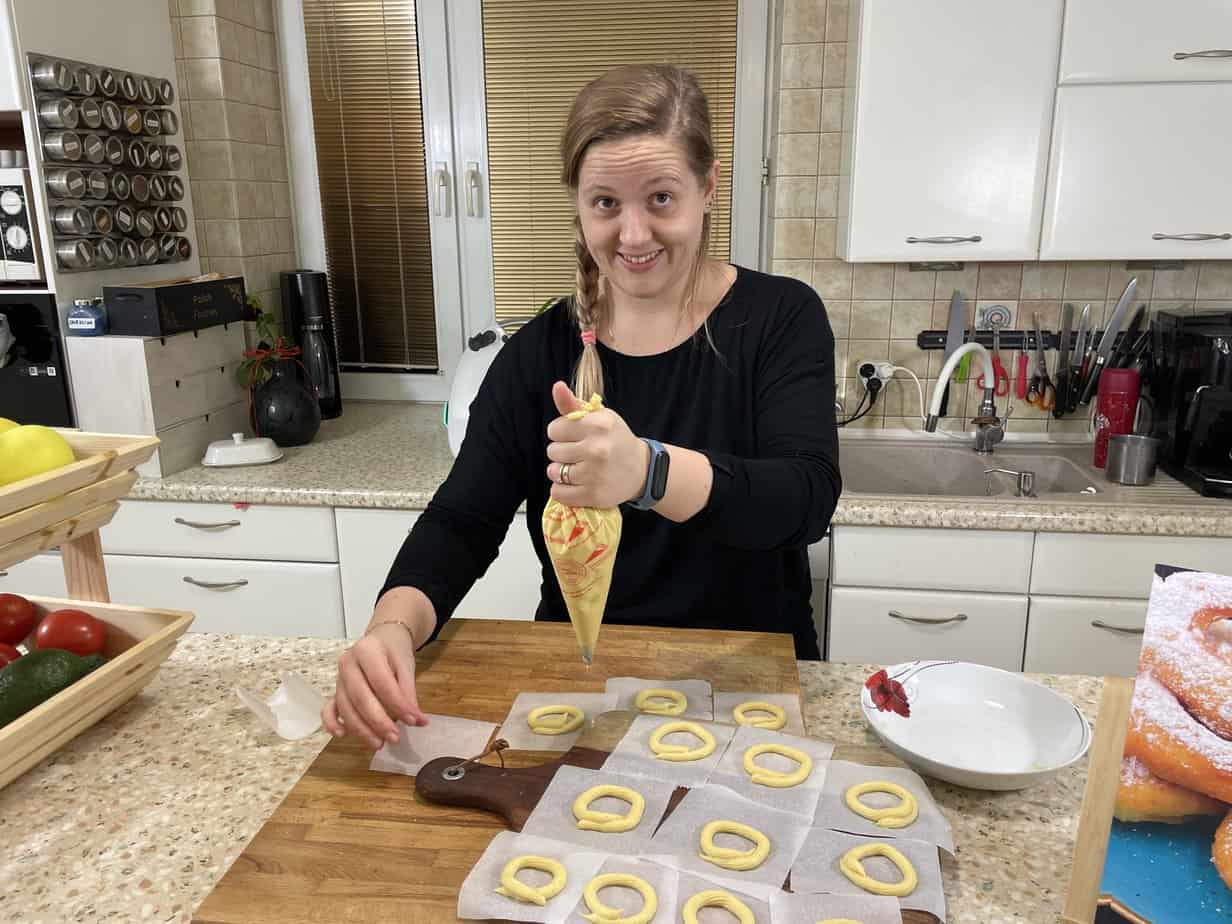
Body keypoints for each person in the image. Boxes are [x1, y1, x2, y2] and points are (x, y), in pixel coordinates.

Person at [322, 63, 841, 750]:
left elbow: (804, 499)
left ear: (708, 187)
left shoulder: (779, 318)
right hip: (583, 687)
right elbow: (462, 520)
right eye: (605, 204)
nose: (632, 235)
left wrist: (647, 472)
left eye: (661, 198)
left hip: (751, 680)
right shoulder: (540, 353)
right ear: (578, 203)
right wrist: (391, 628)